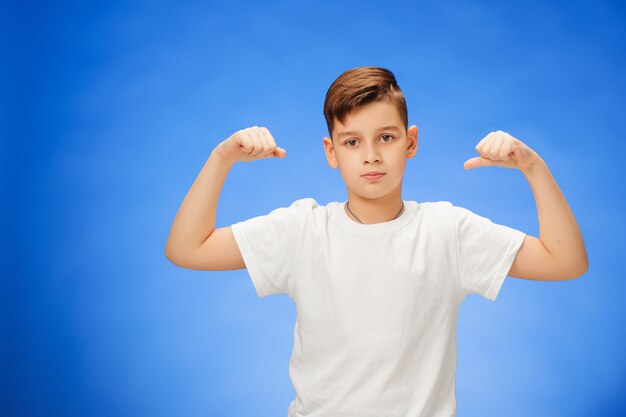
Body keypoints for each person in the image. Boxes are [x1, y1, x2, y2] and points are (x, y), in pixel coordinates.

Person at [164, 66, 588, 417]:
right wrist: (222, 159)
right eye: (352, 142)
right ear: (331, 152)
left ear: (411, 142)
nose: (370, 155)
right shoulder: (302, 231)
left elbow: (565, 261)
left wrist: (533, 167)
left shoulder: (447, 231)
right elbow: (187, 248)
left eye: (386, 137)